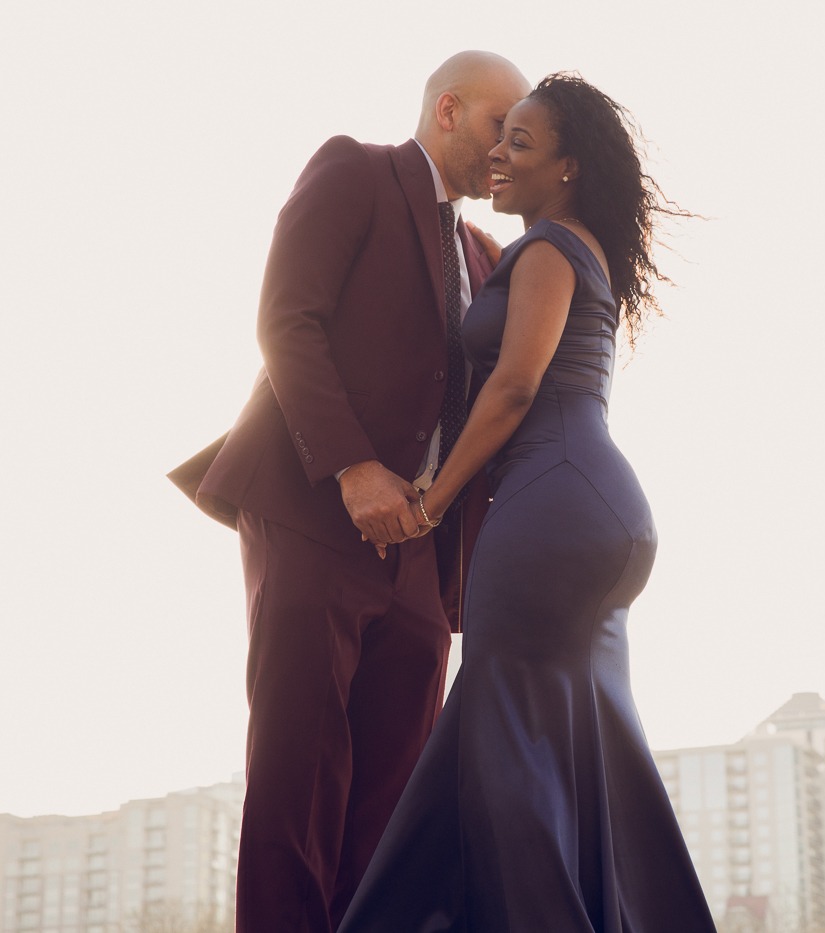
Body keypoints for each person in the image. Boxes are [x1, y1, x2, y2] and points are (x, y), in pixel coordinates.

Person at [336, 73, 716, 931]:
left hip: (550, 506)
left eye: (521, 143)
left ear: (569, 167)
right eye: (498, 138)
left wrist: (429, 500)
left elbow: (510, 389)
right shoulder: (578, 247)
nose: (499, 155)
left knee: (505, 748)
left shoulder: (546, 247)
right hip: (595, 512)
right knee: (585, 753)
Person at [166, 52, 532, 933]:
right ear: (448, 109)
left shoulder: (486, 253)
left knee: (395, 796)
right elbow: (286, 317)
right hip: (311, 509)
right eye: (499, 129)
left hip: (422, 547)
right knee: (299, 772)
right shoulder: (355, 170)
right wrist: (351, 468)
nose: (507, 155)